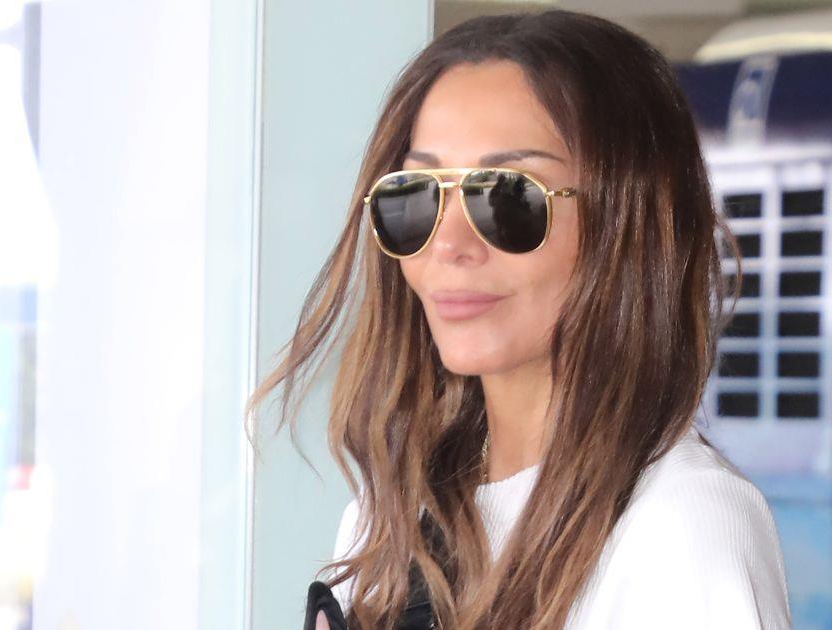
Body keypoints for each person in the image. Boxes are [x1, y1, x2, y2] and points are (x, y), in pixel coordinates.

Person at [247, 9, 791, 630]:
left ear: (631, 224)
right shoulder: (390, 518)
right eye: (416, 195)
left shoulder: (680, 525)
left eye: (508, 197)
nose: (448, 244)